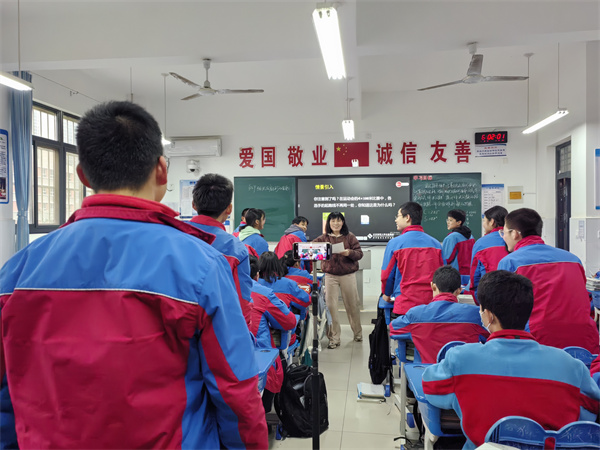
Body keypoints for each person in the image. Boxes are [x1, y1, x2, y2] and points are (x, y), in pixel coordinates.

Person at [0, 101, 267, 449]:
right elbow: (234, 389)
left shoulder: (17, 272)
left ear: (82, 175)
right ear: (162, 171)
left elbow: (6, 396)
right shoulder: (201, 265)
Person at [423, 270, 600, 449]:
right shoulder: (571, 366)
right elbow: (590, 410)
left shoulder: (461, 359)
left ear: (488, 315)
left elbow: (430, 388)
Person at [497, 208, 599, 353]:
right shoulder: (573, 259)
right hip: (583, 341)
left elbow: (503, 310)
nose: (503, 237)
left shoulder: (510, 262)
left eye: (504, 233)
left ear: (515, 233)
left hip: (537, 343)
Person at [188, 173, 253, 328]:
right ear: (229, 209)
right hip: (215, 330)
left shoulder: (172, 238)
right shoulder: (237, 250)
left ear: (194, 205)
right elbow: (241, 303)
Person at [390, 266, 489, 364]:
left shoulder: (416, 314)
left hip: (425, 371)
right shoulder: (475, 314)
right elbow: (491, 336)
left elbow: (393, 329)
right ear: (459, 290)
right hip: (464, 371)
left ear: (433, 286)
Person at [248, 255, 297, 413]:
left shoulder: (221, 290)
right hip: (258, 360)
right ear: (257, 275)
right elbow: (289, 321)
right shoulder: (263, 294)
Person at [381, 202, 444, 315]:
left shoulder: (395, 243)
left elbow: (387, 275)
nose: (396, 220)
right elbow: (443, 274)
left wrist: (386, 293)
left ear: (407, 218)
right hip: (431, 305)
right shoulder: (436, 244)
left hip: (405, 305)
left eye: (398, 216)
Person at [313, 212, 363, 348]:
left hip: (348, 275)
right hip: (330, 276)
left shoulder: (350, 237)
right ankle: (334, 338)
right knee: (331, 306)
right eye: (333, 221)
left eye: (339, 221)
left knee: (352, 305)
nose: (336, 223)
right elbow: (312, 248)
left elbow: (359, 254)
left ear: (343, 222)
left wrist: (349, 252)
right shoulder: (323, 238)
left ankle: (358, 333)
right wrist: (322, 250)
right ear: (329, 223)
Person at [467, 205, 509, 302]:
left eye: (484, 221)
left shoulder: (481, 243)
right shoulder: (514, 239)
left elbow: (475, 276)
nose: (483, 224)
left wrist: (479, 300)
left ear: (492, 222)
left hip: (489, 294)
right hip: (513, 295)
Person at [256, 251, 311, 319]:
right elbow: (306, 300)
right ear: (277, 264)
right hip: (283, 322)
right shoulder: (288, 283)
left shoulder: (252, 284)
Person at [441, 209, 474, 285]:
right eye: (447, 220)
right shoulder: (471, 236)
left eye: (451, 220)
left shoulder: (451, 238)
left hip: (456, 276)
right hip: (469, 275)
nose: (448, 222)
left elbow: (446, 259)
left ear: (459, 222)